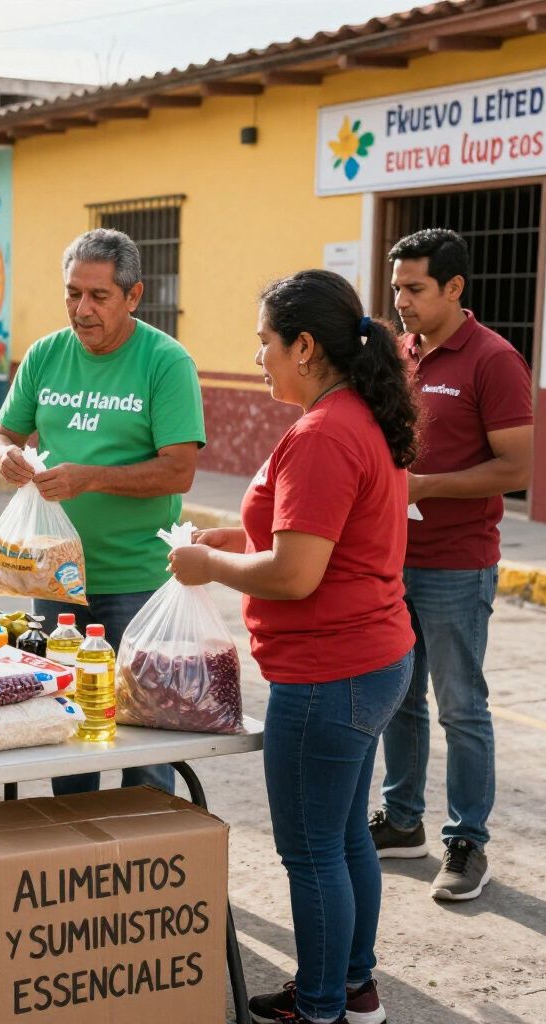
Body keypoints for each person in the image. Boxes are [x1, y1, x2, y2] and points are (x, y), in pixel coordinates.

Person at [170, 270, 418, 1024]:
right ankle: (351, 989)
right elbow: (317, 536)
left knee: (313, 854)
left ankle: (320, 1010)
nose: (257, 359)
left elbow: (296, 572)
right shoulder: (357, 416)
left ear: (305, 347)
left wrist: (210, 567)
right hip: (371, 661)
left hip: (329, 677)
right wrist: (236, 537)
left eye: (264, 343)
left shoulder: (322, 434)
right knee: (345, 841)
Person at [0, 228, 205, 796]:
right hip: (54, 581)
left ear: (134, 296)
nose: (82, 310)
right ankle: (81, 861)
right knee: (65, 730)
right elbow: (2, 432)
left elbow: (179, 469)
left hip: (136, 582)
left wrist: (93, 477)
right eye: (72, 293)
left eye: (99, 296)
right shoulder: (46, 354)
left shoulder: (165, 362)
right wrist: (5, 455)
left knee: (142, 739)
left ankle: (143, 863)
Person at [370, 228, 533, 902]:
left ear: (455, 288)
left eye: (415, 288)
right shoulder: (398, 352)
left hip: (457, 566)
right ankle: (404, 821)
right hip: (391, 559)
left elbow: (517, 468)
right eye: (397, 287)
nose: (401, 300)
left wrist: (427, 488)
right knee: (398, 699)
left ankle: (467, 841)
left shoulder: (493, 360)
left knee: (460, 707)